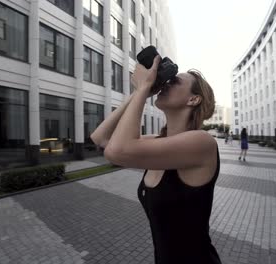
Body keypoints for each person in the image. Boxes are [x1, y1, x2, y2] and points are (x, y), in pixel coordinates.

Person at [90, 55, 222, 264]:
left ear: (193, 99)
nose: (166, 84)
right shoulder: (159, 141)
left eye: (174, 81)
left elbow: (116, 151)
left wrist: (144, 88)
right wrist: (139, 92)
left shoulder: (202, 143)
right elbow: (102, 138)